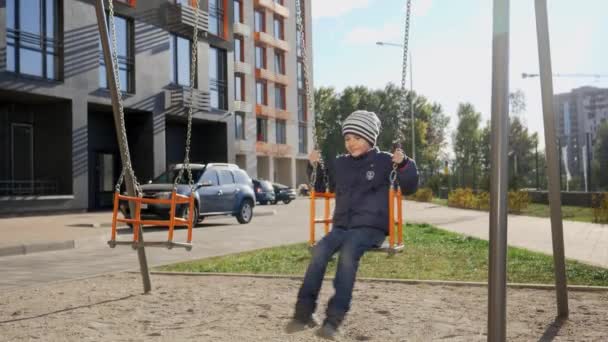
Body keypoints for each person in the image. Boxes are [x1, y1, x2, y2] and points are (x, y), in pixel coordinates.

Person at [285, 110, 419, 339]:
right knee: (319, 253)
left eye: (357, 138)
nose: (351, 143)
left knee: (348, 255)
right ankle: (303, 313)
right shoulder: (340, 163)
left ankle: (333, 321)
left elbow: (409, 186)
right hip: (342, 227)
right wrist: (313, 166)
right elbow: (321, 187)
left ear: (370, 138)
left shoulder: (385, 161)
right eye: (347, 138)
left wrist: (404, 164)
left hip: (371, 228)